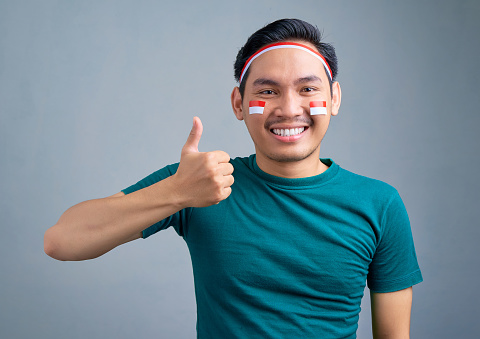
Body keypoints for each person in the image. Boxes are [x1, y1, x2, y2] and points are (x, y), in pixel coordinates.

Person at [44, 18, 422, 338]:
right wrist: (175, 192)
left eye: (308, 89)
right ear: (239, 104)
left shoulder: (379, 204)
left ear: (334, 98)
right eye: (267, 91)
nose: (289, 109)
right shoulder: (197, 184)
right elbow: (62, 242)